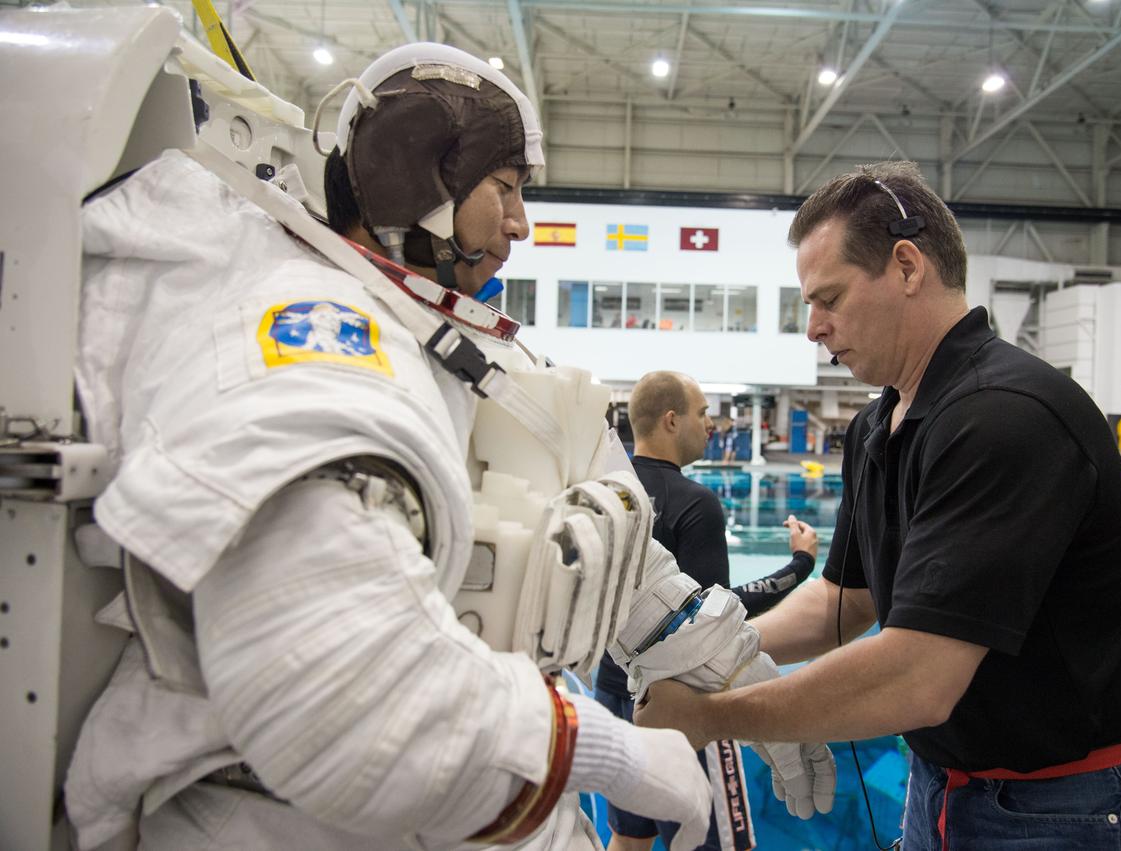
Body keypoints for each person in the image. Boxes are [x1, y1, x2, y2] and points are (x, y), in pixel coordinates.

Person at [63, 41, 834, 851]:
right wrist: (611, 754)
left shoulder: (461, 358)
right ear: (415, 168)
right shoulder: (312, 334)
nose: (520, 223)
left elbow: (628, 567)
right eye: (503, 188)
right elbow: (333, 703)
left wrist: (745, 685)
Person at [637, 162, 1121, 851]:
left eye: (828, 298)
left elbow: (919, 675)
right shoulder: (879, 426)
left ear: (905, 265)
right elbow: (845, 598)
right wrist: (714, 646)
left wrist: (713, 713)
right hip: (945, 783)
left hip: (1071, 800)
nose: (812, 327)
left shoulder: (1004, 417)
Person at [595, 371, 819, 850]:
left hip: (615, 694)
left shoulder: (609, 494)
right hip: (683, 702)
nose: (711, 424)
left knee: (629, 838)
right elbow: (716, 613)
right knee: (716, 843)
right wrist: (800, 566)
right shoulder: (696, 503)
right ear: (672, 421)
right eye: (703, 413)